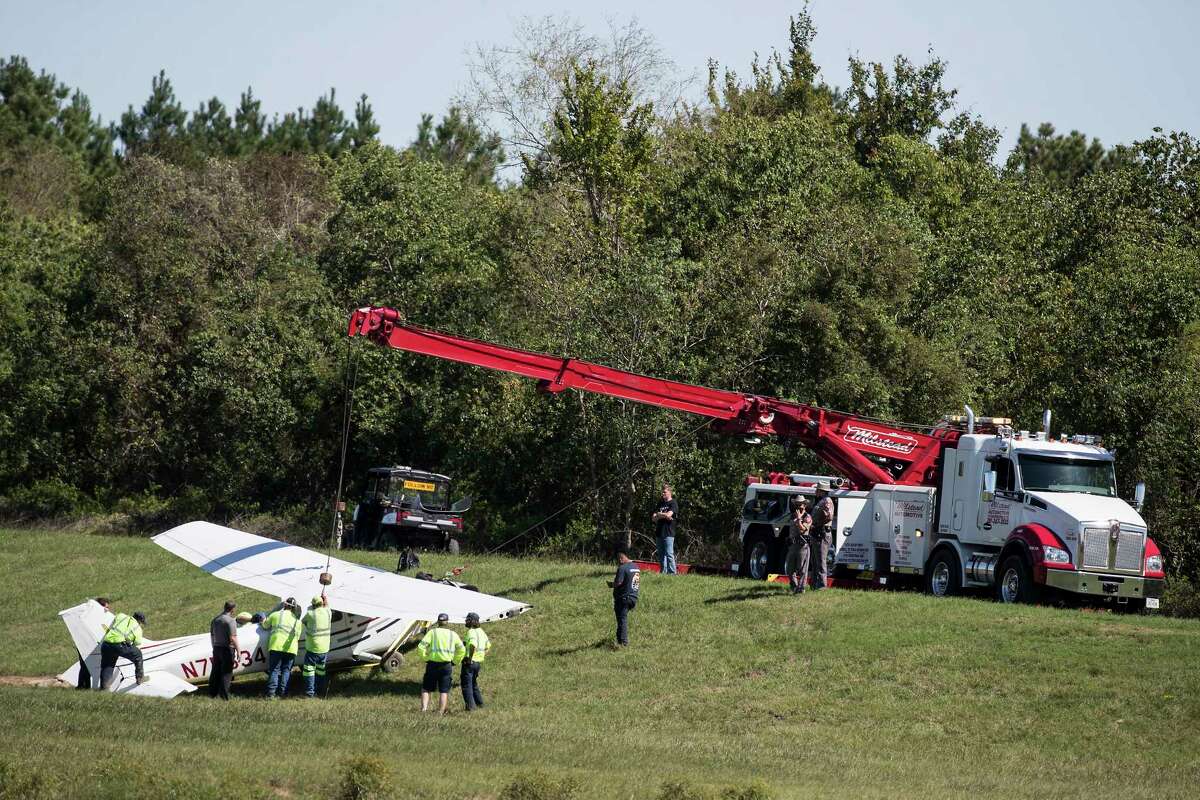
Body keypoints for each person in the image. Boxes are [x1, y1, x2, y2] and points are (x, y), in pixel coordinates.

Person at [417, 612, 465, 714]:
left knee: (426, 688)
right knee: (444, 690)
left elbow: (421, 646)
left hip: (432, 664)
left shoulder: (432, 633)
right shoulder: (453, 634)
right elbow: (462, 650)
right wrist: (455, 661)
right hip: (446, 665)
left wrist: (425, 658)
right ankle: (440, 711)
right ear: (447, 622)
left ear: (438, 622)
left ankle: (424, 709)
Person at [262, 598, 301, 699]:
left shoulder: (276, 615)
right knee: (286, 670)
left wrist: (262, 620)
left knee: (274, 670)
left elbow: (265, 625)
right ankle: (282, 693)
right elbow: (298, 635)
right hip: (291, 649)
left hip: (276, 646)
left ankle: (271, 694)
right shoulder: (298, 621)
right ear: (294, 608)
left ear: (284, 605)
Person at [100, 609, 147, 689]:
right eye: (141, 622)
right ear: (139, 621)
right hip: (119, 645)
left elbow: (115, 618)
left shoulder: (121, 616)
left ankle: (104, 688)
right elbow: (137, 643)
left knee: (108, 666)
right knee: (138, 654)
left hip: (106, 644)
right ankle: (140, 678)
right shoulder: (138, 628)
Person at [301, 594, 332, 699]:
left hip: (312, 649)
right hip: (324, 649)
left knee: (309, 671)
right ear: (322, 603)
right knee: (321, 670)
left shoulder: (310, 614)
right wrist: (325, 599)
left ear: (313, 605)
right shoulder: (328, 612)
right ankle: (321, 692)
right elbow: (327, 606)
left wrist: (311, 607)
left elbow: (303, 621)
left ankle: (310, 693)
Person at [77, 597, 111, 689]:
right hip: (85, 643)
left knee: (86, 666)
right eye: (106, 607)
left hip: (90, 643)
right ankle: (82, 686)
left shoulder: (100, 617)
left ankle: (84, 687)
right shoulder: (92, 616)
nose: (107, 610)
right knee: (85, 666)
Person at [608, 549, 640, 646]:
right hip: (633, 597)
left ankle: (623, 642)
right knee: (622, 619)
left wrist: (611, 585)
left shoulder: (622, 568)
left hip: (623, 598)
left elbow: (619, 582)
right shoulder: (636, 567)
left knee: (622, 620)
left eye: (618, 560)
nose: (618, 563)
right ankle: (619, 640)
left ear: (621, 558)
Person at [460, 611, 491, 711]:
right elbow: (488, 647)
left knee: (466, 686)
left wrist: (469, 658)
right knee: (473, 684)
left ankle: (471, 708)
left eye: (468, 619)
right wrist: (481, 656)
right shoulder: (482, 632)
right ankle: (480, 704)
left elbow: (473, 644)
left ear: (473, 621)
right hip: (477, 664)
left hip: (470, 663)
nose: (466, 621)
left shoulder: (471, 632)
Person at [209, 600, 239, 700]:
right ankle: (224, 696)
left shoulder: (215, 620)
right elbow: (233, 637)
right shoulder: (230, 621)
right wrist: (239, 651)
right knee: (226, 673)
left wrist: (214, 647)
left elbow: (212, 636)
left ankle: (212, 693)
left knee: (215, 671)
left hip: (217, 648)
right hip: (227, 649)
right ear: (233, 609)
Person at [810, 481, 835, 590]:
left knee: (821, 561)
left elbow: (828, 516)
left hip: (822, 533)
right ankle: (815, 584)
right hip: (819, 532)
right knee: (815, 560)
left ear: (821, 491)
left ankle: (822, 586)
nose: (816, 491)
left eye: (817, 490)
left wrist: (818, 524)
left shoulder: (826, 501)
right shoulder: (822, 501)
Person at [786, 497, 813, 594]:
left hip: (802, 546)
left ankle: (801, 589)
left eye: (800, 504)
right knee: (789, 569)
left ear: (805, 505)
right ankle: (794, 586)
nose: (798, 506)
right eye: (796, 504)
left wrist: (798, 519)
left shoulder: (807, 517)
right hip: (793, 545)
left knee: (802, 570)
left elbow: (802, 530)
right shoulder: (792, 515)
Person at [652, 484, 679, 574]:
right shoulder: (660, 503)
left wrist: (660, 514)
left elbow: (669, 515)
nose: (662, 493)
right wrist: (663, 515)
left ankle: (672, 573)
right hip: (659, 532)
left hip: (668, 532)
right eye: (662, 492)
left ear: (669, 493)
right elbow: (653, 518)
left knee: (669, 554)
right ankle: (663, 572)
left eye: (664, 492)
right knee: (661, 555)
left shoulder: (673, 503)